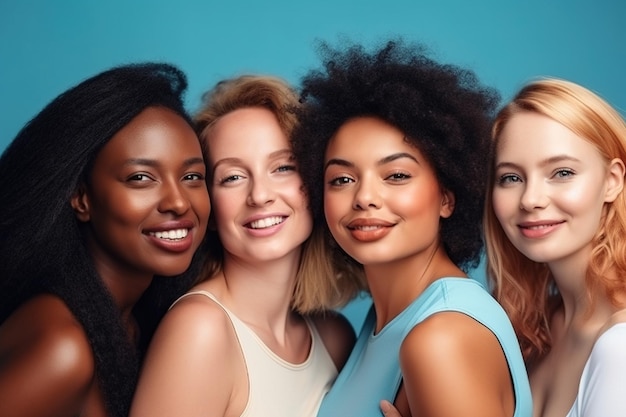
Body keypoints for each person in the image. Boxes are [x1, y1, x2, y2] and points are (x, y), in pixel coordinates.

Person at [292, 39, 532, 417]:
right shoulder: (387, 318)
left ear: (447, 198)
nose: (364, 197)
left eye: (397, 175)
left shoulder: (441, 337)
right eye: (341, 179)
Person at [130, 75, 364, 417]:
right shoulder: (200, 330)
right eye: (233, 177)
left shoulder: (334, 337)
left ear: (315, 183)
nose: (259, 195)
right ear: (208, 206)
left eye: (283, 167)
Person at [0, 63, 210, 417]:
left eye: (192, 176)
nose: (178, 202)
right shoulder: (63, 347)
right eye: (141, 177)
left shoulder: (135, 322)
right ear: (82, 198)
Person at [485, 78, 626, 417]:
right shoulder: (534, 329)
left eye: (561, 172)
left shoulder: (619, 345)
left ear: (612, 181)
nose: (531, 199)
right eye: (511, 178)